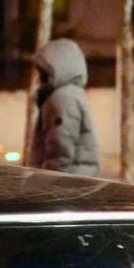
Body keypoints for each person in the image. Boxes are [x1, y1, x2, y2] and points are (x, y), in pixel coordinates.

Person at [29, 38, 100, 175]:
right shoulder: (72, 95)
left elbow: (60, 146)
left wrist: (49, 183)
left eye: (43, 72)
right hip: (77, 179)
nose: (39, 79)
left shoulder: (62, 98)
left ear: (57, 69)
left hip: (66, 184)